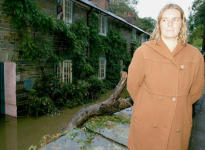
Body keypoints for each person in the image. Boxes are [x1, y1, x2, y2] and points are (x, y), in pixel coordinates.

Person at [127, 3, 204, 150]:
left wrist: (176, 102)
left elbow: (195, 92)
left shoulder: (195, 56)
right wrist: (152, 104)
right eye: (165, 20)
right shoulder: (143, 52)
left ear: (182, 23)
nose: (170, 24)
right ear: (159, 23)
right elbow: (132, 86)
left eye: (175, 19)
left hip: (177, 124)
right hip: (147, 122)